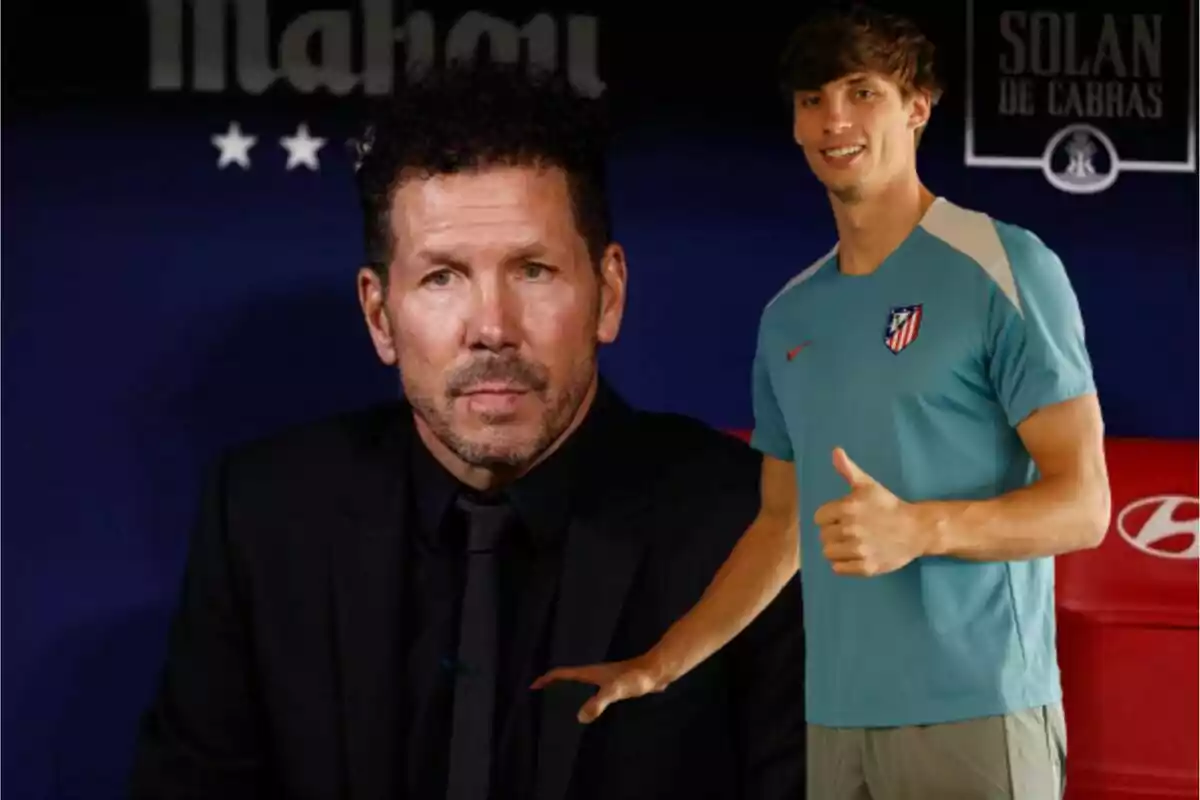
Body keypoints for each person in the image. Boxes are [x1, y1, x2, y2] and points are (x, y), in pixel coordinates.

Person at [128, 61, 807, 800]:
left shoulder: (754, 526)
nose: (491, 329)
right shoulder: (264, 518)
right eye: (441, 277)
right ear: (380, 316)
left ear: (608, 296)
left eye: (534, 271)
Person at [533, 7, 1111, 799]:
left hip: (977, 711)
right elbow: (782, 526)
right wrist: (659, 664)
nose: (833, 119)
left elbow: (1083, 506)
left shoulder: (1004, 265)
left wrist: (918, 526)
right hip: (836, 724)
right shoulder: (790, 316)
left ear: (918, 105)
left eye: (862, 91)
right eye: (812, 99)